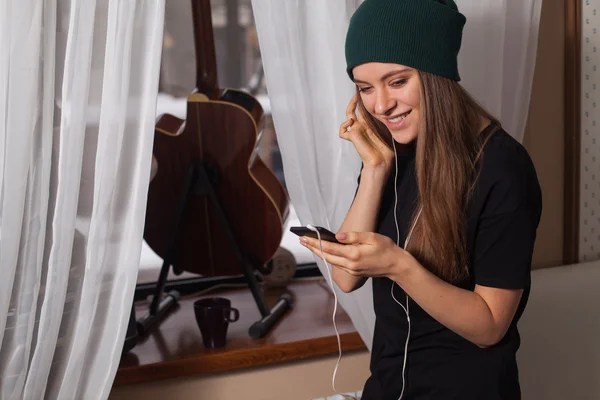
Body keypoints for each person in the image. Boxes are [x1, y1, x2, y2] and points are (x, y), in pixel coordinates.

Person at [298, 0, 543, 399]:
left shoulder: (503, 167)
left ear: (436, 73)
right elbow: (346, 277)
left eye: (397, 82)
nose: (380, 105)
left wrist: (397, 265)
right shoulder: (392, 151)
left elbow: (490, 327)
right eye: (365, 88)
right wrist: (375, 169)